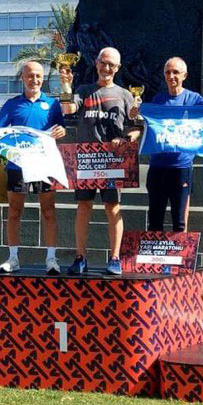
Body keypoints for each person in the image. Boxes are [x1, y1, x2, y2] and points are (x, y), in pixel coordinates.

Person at [62, 47, 141, 276]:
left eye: (112, 65)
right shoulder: (84, 90)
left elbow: (136, 127)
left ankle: (114, 258)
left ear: (118, 68)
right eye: (103, 63)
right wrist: (66, 86)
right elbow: (68, 108)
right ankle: (80, 258)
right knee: (83, 207)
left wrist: (125, 138)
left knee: (112, 207)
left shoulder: (126, 95)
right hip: (85, 159)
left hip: (112, 161)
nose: (107, 68)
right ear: (96, 63)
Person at [145, 57, 203, 233]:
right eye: (168, 72)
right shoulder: (158, 99)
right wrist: (136, 113)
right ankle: (155, 260)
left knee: (179, 223)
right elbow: (147, 123)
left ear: (185, 75)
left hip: (181, 168)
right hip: (157, 167)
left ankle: (179, 260)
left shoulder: (194, 98)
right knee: (154, 221)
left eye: (176, 72)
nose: (171, 76)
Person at [0, 61, 66, 274]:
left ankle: (51, 259)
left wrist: (61, 130)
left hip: (45, 165)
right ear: (23, 78)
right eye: (30, 76)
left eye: (38, 76)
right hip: (17, 166)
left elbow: (60, 127)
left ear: (43, 78)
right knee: (15, 212)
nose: (34, 80)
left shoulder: (52, 104)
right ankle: (13, 258)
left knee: (49, 212)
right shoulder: (12, 104)